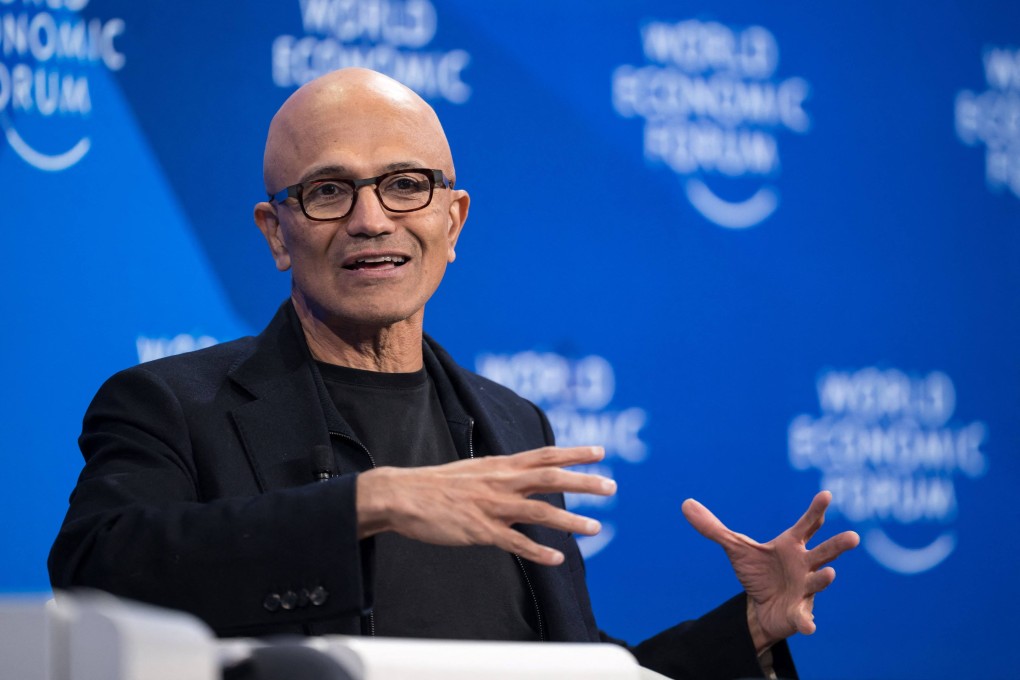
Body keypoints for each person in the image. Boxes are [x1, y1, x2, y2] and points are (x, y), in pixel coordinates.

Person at [48, 68, 859, 680]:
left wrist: (749, 628)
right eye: (329, 191)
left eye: (406, 185)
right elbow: (97, 572)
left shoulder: (513, 425)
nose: (372, 219)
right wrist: (369, 503)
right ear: (277, 232)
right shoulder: (171, 405)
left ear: (452, 217)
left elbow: (573, 668)